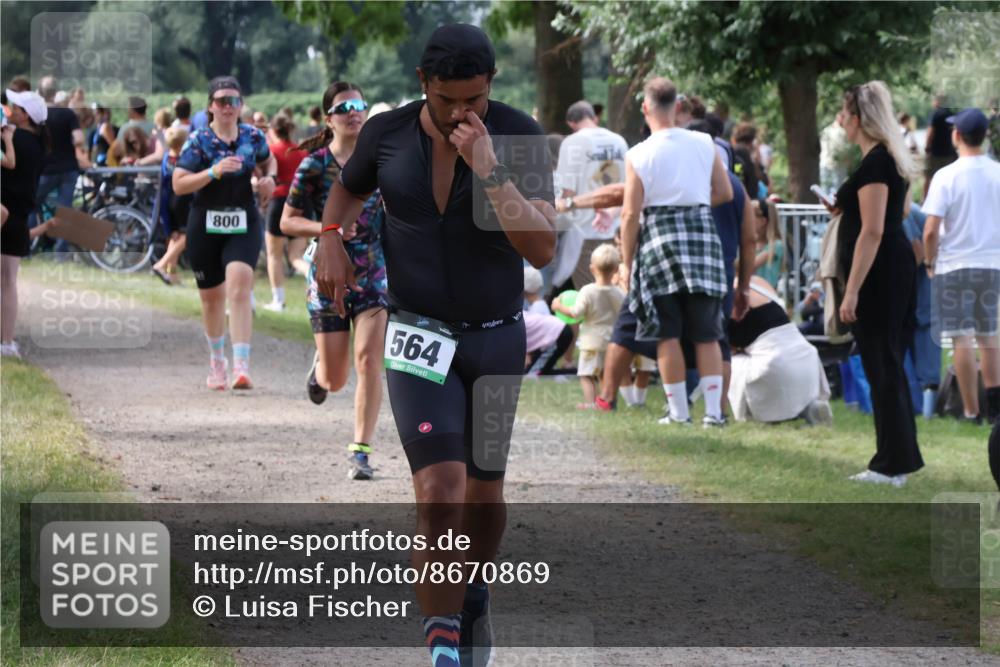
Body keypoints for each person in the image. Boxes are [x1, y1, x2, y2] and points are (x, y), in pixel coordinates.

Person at [312, 24, 555, 667]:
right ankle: (443, 640)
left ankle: (472, 592)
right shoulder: (386, 132)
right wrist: (332, 233)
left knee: (485, 495)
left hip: (498, 339)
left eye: (474, 100)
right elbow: (348, 186)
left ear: (490, 86)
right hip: (418, 335)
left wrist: (491, 169)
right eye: (449, 101)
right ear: (424, 85)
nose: (462, 114)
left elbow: (542, 246)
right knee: (439, 490)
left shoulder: (519, 134)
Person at [279, 81, 386, 480]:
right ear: (329, 119)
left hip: (374, 271)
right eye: (344, 108)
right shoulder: (315, 165)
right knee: (335, 380)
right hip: (325, 274)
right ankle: (321, 366)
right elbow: (286, 221)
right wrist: (328, 230)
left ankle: (360, 451)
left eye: (360, 104)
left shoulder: (382, 160)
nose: (354, 112)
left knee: (369, 360)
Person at [621, 76, 735, 428]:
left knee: (667, 332)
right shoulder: (705, 142)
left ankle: (679, 413)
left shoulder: (639, 153)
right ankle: (714, 414)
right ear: (679, 106)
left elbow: (629, 213)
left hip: (659, 240)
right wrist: (695, 204)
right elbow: (725, 192)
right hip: (702, 237)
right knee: (707, 331)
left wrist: (627, 263)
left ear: (645, 108)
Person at [834, 81, 923, 486]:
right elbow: (898, 212)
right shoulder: (890, 161)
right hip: (894, 265)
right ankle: (896, 459)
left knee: (882, 365)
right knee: (889, 364)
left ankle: (891, 465)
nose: (840, 120)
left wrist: (851, 290)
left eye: (844, 113)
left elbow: (872, 231)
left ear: (858, 118)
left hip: (879, 272)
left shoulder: (874, 165)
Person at [172, 76, 275, 390]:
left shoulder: (253, 137)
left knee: (241, 285)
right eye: (221, 101)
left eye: (233, 100)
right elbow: (179, 183)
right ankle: (218, 363)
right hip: (205, 222)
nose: (228, 107)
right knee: (212, 299)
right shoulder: (199, 141)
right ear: (211, 107)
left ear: (241, 105)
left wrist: (269, 179)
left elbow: (269, 163)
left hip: (244, 219)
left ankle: (241, 366)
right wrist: (213, 171)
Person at [922, 108, 1000, 426]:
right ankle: (995, 407)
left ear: (956, 136)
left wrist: (930, 262)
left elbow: (930, 230)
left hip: (954, 265)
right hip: (992, 264)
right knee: (989, 336)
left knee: (961, 338)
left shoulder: (946, 176)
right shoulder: (997, 173)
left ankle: (971, 411)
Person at [728, 276, 833, 424]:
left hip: (774, 364)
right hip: (807, 358)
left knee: (730, 361)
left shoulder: (727, 294)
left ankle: (753, 415)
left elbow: (730, 346)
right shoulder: (759, 282)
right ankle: (810, 408)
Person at [552, 100, 628, 290]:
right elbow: (627, 187)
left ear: (571, 123)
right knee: (616, 292)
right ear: (594, 117)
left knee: (590, 293)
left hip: (585, 232)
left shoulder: (572, 143)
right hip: (618, 229)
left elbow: (566, 191)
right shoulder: (619, 140)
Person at [1, 89, 48, 358]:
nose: (9, 108)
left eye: (14, 106)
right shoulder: (39, 144)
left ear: (25, 114)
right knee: (8, 282)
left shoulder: (11, 138)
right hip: (19, 217)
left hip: (4, 209)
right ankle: (7, 342)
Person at [552, 243, 625, 408]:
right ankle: (607, 401)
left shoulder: (587, 291)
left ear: (592, 269)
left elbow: (575, 313)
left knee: (587, 375)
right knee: (606, 374)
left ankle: (591, 403)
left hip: (591, 342)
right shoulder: (619, 293)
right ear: (615, 270)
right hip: (612, 340)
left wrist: (558, 306)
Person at [262, 113, 308, 311]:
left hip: (279, 201)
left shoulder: (272, 151)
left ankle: (278, 300)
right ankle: (313, 278)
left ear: (273, 130)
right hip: (300, 203)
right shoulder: (301, 152)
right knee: (297, 257)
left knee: (274, 255)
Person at [34, 76, 86, 252]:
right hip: (68, 168)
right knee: (65, 211)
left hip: (45, 169)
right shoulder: (68, 114)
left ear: (40, 93)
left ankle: (26, 244)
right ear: (56, 93)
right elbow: (79, 139)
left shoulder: (38, 116)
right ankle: (61, 251)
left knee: (30, 204)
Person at [900, 198, 941, 419]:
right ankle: (924, 406)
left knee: (923, 335)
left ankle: (922, 407)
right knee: (926, 337)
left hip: (922, 283)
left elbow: (917, 248)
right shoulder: (909, 208)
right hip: (925, 284)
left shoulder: (903, 211)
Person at [151, 126, 191, 285]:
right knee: (188, 236)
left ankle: (172, 275)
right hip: (183, 201)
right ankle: (161, 264)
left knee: (175, 237)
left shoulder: (167, 158)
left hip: (169, 202)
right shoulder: (185, 160)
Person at [923, 94, 958, 200]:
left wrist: (927, 146)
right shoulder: (951, 114)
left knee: (929, 178)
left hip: (935, 152)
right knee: (950, 179)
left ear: (938, 102)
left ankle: (925, 201)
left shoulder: (936, 114)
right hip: (950, 153)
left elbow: (930, 132)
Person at [751, 197, 784, 287]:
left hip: (766, 296)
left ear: (763, 221)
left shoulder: (776, 245)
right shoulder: (750, 244)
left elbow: (749, 266)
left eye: (750, 216)